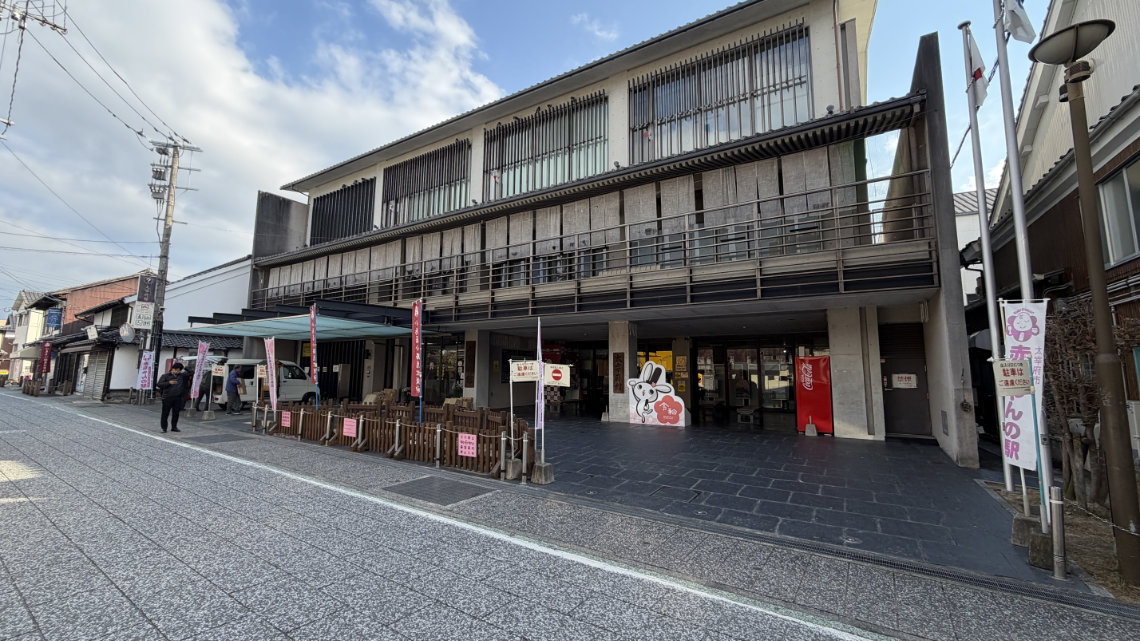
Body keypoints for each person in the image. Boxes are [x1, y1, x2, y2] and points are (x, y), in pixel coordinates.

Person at [156, 362, 190, 433]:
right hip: (167, 397)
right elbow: (159, 384)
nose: (177, 372)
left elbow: (192, 372)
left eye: (179, 370)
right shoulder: (166, 376)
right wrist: (169, 383)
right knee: (165, 413)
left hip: (178, 397)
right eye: (176, 370)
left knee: (176, 413)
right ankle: (164, 428)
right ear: (173, 369)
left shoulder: (182, 376)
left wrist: (185, 367)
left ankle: (174, 427)